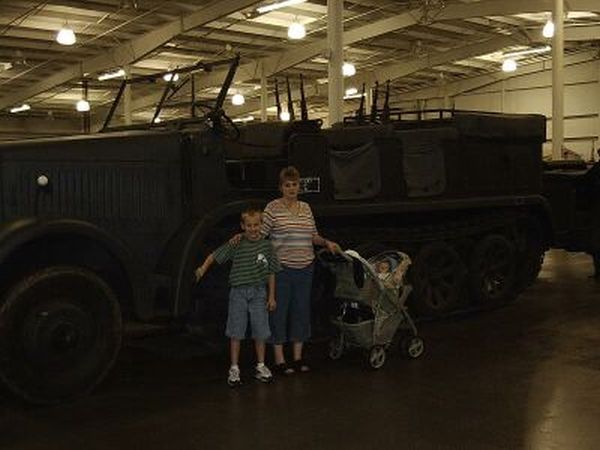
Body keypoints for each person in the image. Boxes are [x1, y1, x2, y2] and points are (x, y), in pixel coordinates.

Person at [262, 166, 341, 374]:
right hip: (281, 269)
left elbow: (313, 235)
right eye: (287, 185)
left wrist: (326, 242)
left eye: (295, 185)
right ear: (281, 187)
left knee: (301, 311)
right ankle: (279, 360)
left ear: (299, 187)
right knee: (279, 312)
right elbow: (260, 235)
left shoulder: (305, 208)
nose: (291, 188)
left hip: (305, 268)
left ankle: (297, 358)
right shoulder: (272, 208)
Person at [195, 206, 280, 387]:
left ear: (261, 225)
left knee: (260, 330)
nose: (253, 229)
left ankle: (261, 365)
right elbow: (215, 255)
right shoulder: (237, 243)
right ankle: (234, 368)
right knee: (236, 330)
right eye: (249, 225)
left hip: (259, 292)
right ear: (243, 226)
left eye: (256, 225)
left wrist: (271, 296)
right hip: (238, 293)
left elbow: (272, 272)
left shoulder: (267, 246)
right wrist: (203, 268)